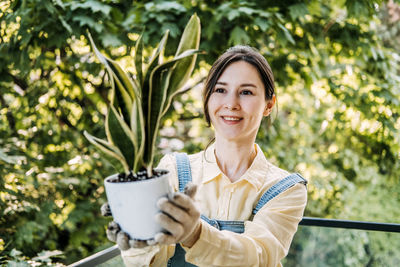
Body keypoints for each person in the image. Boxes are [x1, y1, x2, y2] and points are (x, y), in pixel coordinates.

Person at [104, 45, 308, 266]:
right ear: (207, 98)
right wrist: (137, 234)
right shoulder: (173, 169)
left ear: (269, 105)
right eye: (220, 90)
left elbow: (258, 256)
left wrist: (194, 233)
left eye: (246, 92)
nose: (231, 104)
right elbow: (152, 263)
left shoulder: (286, 189)